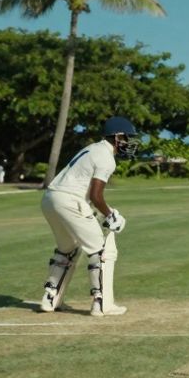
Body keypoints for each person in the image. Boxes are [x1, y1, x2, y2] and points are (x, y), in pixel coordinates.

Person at [38, 116, 136, 317]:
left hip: (49, 199)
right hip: (70, 201)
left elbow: (86, 192)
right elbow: (95, 195)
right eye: (126, 138)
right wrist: (110, 215)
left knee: (68, 249)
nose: (128, 142)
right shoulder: (107, 158)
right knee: (100, 250)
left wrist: (103, 213)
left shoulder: (92, 148)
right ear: (117, 137)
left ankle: (50, 298)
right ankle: (102, 304)